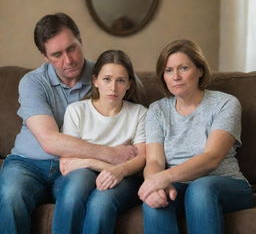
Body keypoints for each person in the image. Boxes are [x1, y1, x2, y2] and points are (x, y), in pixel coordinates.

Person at [0, 13, 137, 234]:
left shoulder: (105, 75)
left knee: (77, 188)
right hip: (28, 165)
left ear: (81, 41)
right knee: (11, 195)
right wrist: (110, 153)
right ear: (44, 56)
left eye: (71, 48)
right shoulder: (33, 82)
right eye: (56, 54)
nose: (68, 60)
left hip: (77, 166)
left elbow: (132, 105)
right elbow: (50, 141)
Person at [138, 39, 253, 234]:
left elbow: (212, 158)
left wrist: (163, 178)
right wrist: (154, 187)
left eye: (183, 68)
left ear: (200, 70)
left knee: (200, 190)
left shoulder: (225, 104)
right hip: (178, 186)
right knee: (154, 202)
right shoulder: (156, 111)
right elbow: (155, 161)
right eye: (168, 70)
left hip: (226, 184)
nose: (176, 76)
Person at [55, 49, 147, 234]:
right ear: (95, 81)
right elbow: (66, 163)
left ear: (129, 83)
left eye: (120, 80)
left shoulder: (140, 113)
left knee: (101, 203)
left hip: (125, 178)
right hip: (80, 176)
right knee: (75, 189)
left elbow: (141, 159)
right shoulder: (77, 111)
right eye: (107, 79)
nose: (113, 88)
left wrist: (115, 170)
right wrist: (94, 163)